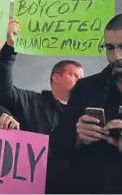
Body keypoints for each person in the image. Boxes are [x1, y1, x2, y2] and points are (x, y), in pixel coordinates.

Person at [50, 13, 122, 193]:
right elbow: (56, 145)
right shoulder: (85, 87)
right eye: (109, 48)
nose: (116, 56)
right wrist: (77, 138)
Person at [0, 19, 84, 134]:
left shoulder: (82, 114)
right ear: (56, 77)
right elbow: (3, 86)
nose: (81, 81)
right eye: (73, 75)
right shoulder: (30, 102)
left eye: (81, 77)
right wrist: (10, 48)